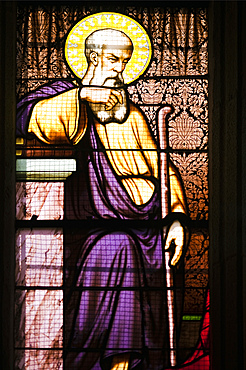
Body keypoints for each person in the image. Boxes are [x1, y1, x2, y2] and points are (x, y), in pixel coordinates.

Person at [17, 28, 188, 370]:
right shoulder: (65, 99)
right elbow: (29, 119)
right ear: (93, 58)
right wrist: (81, 97)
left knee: (129, 246)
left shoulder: (134, 116)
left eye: (125, 63)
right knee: (117, 246)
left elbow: (163, 170)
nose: (119, 71)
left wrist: (177, 216)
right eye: (113, 60)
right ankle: (114, 365)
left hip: (150, 231)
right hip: (96, 232)